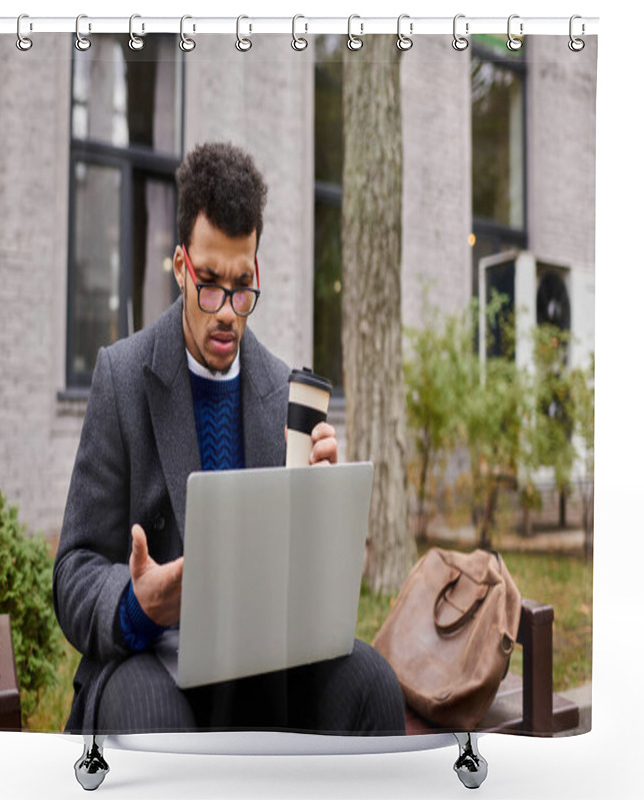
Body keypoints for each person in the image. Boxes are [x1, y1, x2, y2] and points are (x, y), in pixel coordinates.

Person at [53, 141, 406, 736]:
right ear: (180, 265)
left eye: (242, 286)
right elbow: (73, 570)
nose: (227, 313)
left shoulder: (283, 389)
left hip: (264, 663)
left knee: (373, 686)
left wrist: (323, 512)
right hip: (153, 657)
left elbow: (303, 581)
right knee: (154, 718)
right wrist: (137, 603)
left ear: (257, 269)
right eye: (209, 283)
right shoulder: (122, 376)